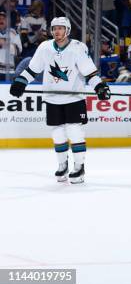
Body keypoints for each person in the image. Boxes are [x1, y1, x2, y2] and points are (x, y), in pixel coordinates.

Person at [9, 17, 110, 184]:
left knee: (74, 131)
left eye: (61, 28)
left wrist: (99, 86)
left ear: (67, 30)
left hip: (73, 98)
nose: (57, 31)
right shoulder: (45, 47)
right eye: (54, 28)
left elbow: (90, 73)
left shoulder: (77, 48)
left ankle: (79, 167)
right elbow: (33, 69)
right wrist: (21, 81)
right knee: (57, 134)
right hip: (52, 98)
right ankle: (62, 165)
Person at [0, 10, 22, 81]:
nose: (1, 20)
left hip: (9, 71)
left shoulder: (13, 33)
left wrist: (6, 44)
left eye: (3, 19)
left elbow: (19, 51)